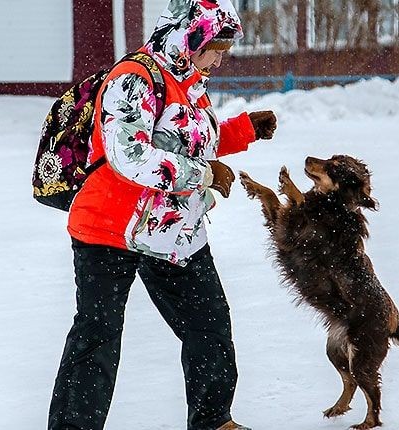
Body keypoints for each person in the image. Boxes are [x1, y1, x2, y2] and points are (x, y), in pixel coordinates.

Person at [47, 1, 277, 429]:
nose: (220, 57)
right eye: (215, 46)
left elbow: (185, 141)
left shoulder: (188, 81)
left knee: (209, 328)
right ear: (189, 35)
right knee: (96, 339)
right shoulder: (133, 79)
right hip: (109, 230)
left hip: (172, 233)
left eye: (224, 48)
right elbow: (129, 155)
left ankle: (213, 421)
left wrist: (241, 131)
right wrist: (203, 173)